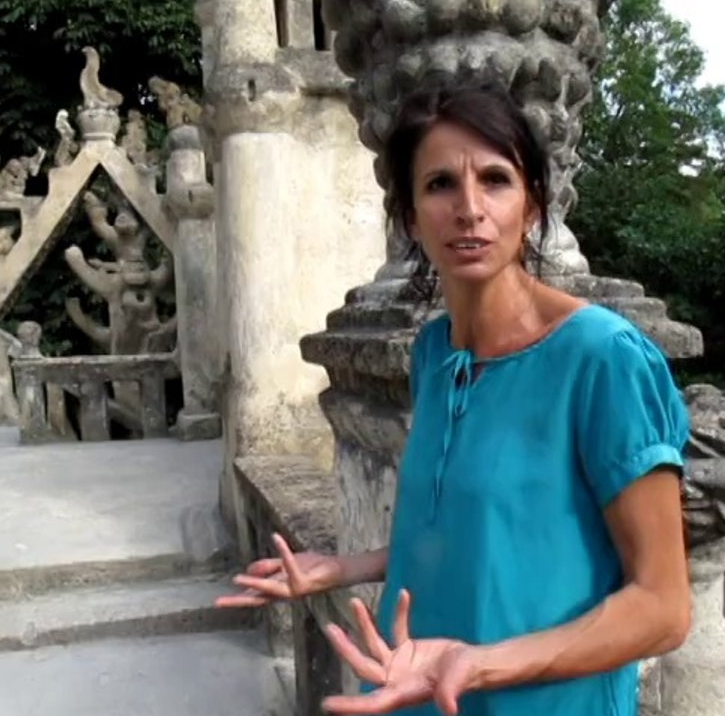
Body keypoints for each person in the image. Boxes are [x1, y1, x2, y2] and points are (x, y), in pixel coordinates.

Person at [216, 78, 692, 716]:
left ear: (532, 206)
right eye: (440, 184)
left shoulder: (601, 360)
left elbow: (664, 608)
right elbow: (484, 532)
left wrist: (479, 666)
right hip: (415, 685)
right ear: (410, 216)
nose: (469, 208)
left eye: (495, 179)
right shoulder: (435, 353)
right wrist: (343, 567)